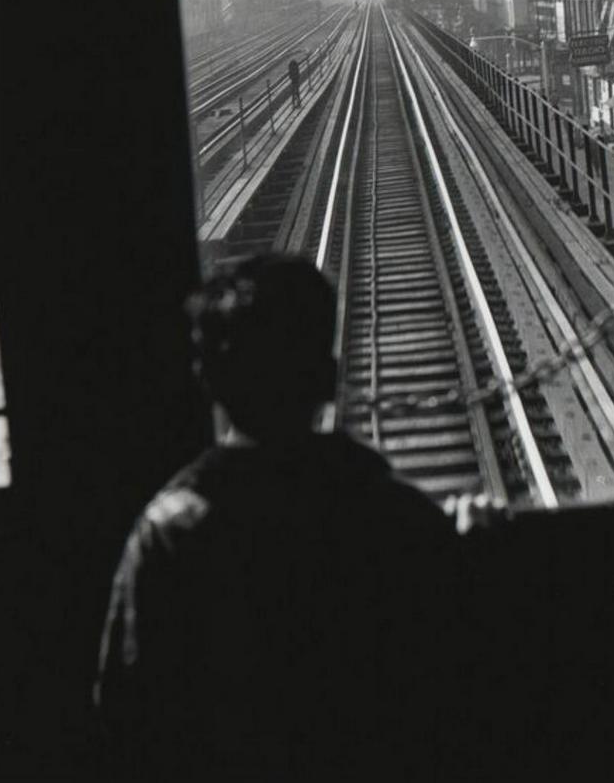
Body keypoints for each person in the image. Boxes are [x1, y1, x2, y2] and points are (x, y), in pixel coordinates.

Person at [95, 255, 470, 782]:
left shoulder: (170, 531)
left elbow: (127, 716)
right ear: (329, 378)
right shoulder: (395, 517)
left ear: (208, 379)